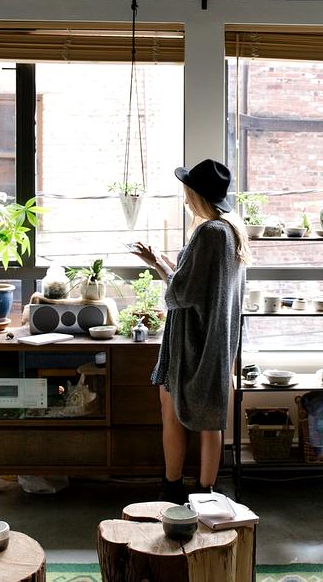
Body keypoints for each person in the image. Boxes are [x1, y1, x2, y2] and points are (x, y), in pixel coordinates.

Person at [131, 158, 249, 503]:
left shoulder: (208, 232)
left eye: (187, 192)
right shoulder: (231, 231)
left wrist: (159, 268)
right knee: (211, 418)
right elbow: (198, 284)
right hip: (216, 341)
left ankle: (172, 488)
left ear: (197, 195)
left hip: (192, 342)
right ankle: (206, 493)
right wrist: (160, 262)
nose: (184, 199)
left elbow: (181, 293)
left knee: (172, 411)